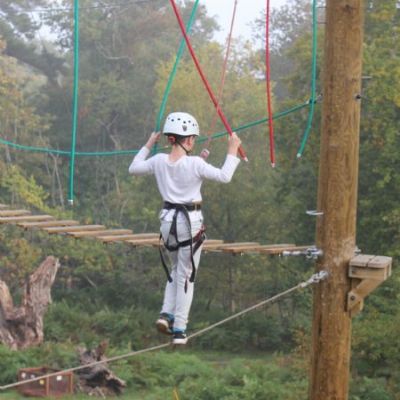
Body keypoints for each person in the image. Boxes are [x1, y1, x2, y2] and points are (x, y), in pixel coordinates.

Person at [129, 112, 242, 345]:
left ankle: (166, 314)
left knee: (176, 270)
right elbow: (224, 176)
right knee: (187, 275)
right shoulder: (195, 164)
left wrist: (149, 144)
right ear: (189, 139)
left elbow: (134, 168)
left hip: (167, 221)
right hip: (189, 222)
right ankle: (179, 329)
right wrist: (232, 149)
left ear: (170, 138)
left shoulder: (159, 160)